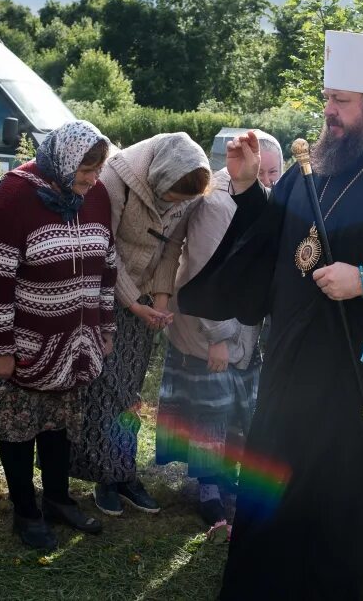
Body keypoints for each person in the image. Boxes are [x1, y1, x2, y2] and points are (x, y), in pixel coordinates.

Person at [179, 30, 363, 599]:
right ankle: (268, 569)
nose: (327, 112)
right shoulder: (321, 159)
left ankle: (332, 575)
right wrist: (244, 190)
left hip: (360, 368)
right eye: (327, 97)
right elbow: (279, 235)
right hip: (293, 358)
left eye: (340, 100)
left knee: (343, 481)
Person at [0, 121, 116, 550]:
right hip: (26, 343)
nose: (91, 182)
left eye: (96, 172)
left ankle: (57, 498)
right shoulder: (16, 194)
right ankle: (25, 509)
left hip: (76, 342)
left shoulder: (97, 196)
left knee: (59, 427)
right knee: (19, 429)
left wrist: (105, 325)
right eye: (83, 173)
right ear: (61, 161)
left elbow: (107, 264)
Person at [70, 132, 210, 516]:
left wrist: (161, 302)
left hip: (145, 300)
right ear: (157, 180)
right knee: (104, 385)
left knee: (130, 390)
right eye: (169, 200)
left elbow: (171, 249)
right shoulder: (117, 178)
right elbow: (104, 246)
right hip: (106, 293)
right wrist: (133, 303)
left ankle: (123, 469)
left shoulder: (190, 189)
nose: (173, 207)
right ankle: (103, 474)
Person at [156, 164, 264, 534]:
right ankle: (207, 490)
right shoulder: (217, 206)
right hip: (208, 334)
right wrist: (219, 336)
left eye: (273, 172)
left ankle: (226, 480)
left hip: (241, 334)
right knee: (208, 414)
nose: (268, 180)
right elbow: (203, 273)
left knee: (234, 411)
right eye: (263, 171)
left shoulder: (256, 203)